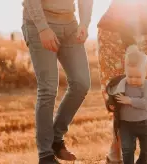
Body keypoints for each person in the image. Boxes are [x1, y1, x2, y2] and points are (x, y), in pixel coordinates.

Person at [97, 0, 147, 163]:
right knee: (120, 89)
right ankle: (115, 150)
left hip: (145, 35)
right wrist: (130, 43)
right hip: (114, 32)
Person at [21, 0, 93, 163]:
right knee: (48, 88)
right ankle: (45, 155)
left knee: (81, 83)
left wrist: (84, 23)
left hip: (70, 24)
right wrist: (42, 27)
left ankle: (55, 138)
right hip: (40, 23)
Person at [105, 50, 147, 164]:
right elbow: (112, 100)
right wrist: (111, 106)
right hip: (126, 124)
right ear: (125, 72)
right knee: (127, 150)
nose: (133, 79)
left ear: (146, 72)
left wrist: (129, 100)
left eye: (138, 77)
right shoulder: (120, 84)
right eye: (130, 76)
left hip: (145, 124)